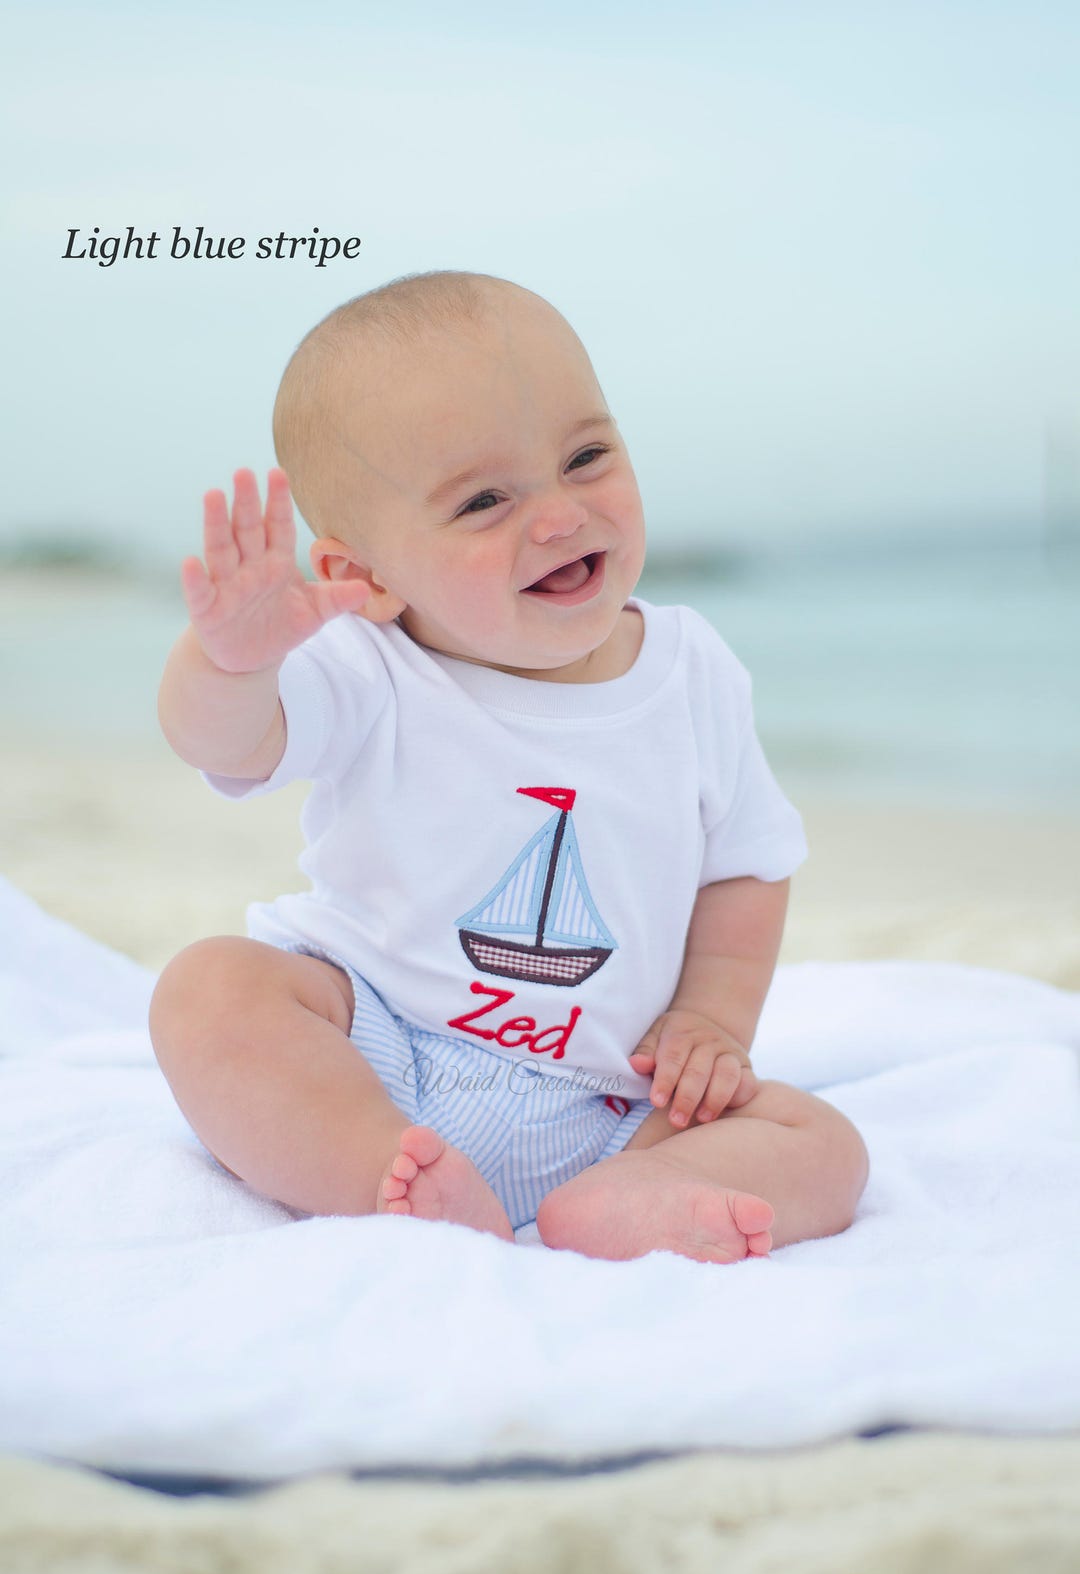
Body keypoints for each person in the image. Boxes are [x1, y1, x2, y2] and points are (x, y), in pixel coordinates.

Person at [149, 269, 869, 1264]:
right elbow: (228, 742)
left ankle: (629, 1197)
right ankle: (378, 1168)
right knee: (209, 991)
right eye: (486, 500)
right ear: (368, 576)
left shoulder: (693, 670)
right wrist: (229, 662)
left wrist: (710, 1018)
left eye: (585, 456)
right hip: (382, 1048)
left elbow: (745, 860)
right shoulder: (369, 665)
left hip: (614, 1094)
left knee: (824, 1146)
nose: (561, 514)